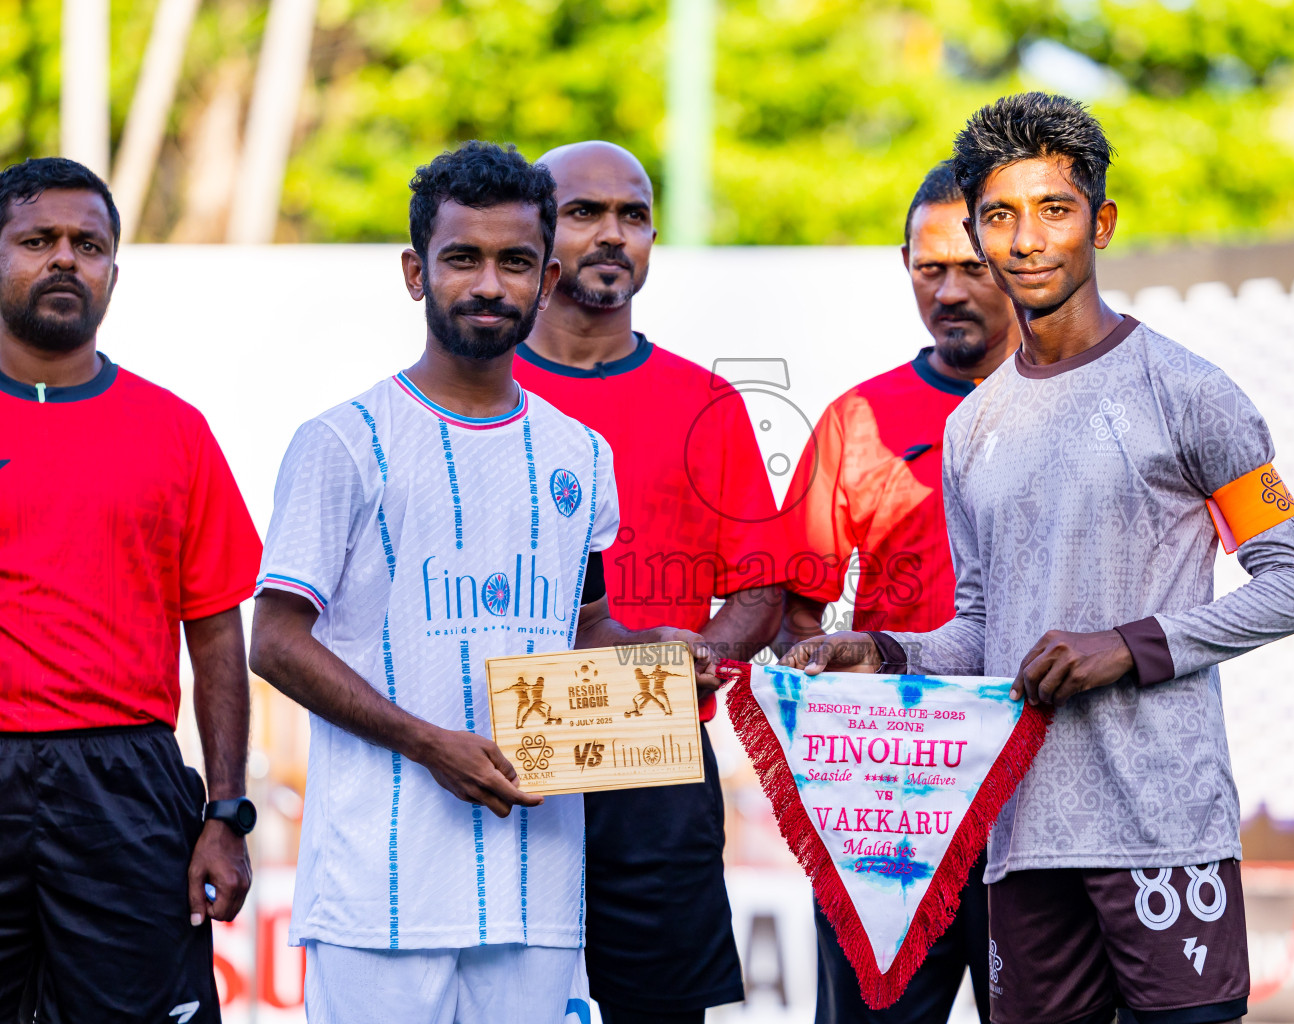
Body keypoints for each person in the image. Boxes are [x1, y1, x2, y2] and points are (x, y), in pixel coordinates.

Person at [783, 93, 1294, 1024]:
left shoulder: (1189, 393)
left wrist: (1130, 644)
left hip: (1163, 830)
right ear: (977, 230)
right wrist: (885, 654)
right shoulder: (973, 428)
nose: (1028, 239)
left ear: (1102, 223)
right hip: (1021, 841)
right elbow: (984, 632)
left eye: (1055, 210)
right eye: (1001, 215)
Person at [247, 141, 717, 1024]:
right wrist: (430, 742)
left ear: (546, 280)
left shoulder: (581, 453)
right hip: (377, 893)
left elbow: (587, 633)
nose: (490, 285)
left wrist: (654, 659)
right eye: (463, 258)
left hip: (536, 891)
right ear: (414, 272)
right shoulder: (343, 441)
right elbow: (272, 641)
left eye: (515, 262)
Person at [513, 140, 787, 1024]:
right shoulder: (479, 387)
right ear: (538, 229)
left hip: (653, 747)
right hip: (501, 749)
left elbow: (759, 588)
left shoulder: (707, 403)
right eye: (584, 212)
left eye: (632, 215)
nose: (610, 234)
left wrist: (691, 661)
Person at [0, 158, 262, 1022]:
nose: (65, 260)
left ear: (115, 268)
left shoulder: (174, 432)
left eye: (90, 244)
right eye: (38, 240)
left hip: (126, 782)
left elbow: (218, 633)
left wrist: (225, 813)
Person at [775, 159, 1019, 1024]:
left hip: (1039, 800)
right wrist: (841, 715)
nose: (950, 291)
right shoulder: (857, 420)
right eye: (929, 269)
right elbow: (794, 608)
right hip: (890, 811)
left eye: (973, 266)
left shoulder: (1080, 410)